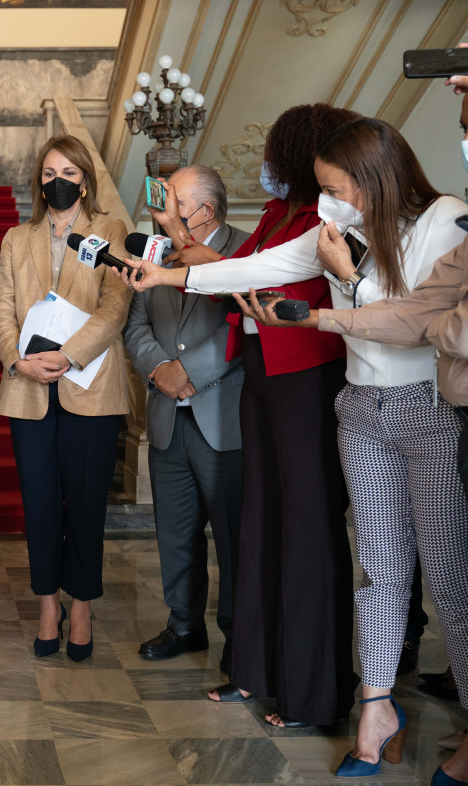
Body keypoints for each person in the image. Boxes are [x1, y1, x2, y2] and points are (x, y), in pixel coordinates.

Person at [138, 118, 468, 779]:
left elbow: (414, 320)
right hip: (359, 407)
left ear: (374, 178)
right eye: (322, 189)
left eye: (335, 189)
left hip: (426, 408)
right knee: (378, 573)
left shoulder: (442, 219)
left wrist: (343, 283)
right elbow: (260, 266)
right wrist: (164, 275)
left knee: (449, 579)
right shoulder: (339, 227)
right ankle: (377, 709)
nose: (326, 202)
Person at [246, 61, 468, 786]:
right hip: (388, 408)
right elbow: (422, 306)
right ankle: (378, 707)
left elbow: (462, 328)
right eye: (466, 128)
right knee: (382, 570)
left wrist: (367, 295)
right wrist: (323, 315)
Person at [127, 104, 361, 727]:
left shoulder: (323, 219)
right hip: (263, 381)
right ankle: (255, 671)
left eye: (277, 153)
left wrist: (166, 273)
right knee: (260, 528)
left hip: (304, 380)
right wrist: (171, 248)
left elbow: (253, 274)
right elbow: (224, 271)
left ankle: (311, 691)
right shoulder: (276, 213)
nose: (268, 165)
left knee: (305, 532)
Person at [0, 134, 132, 662]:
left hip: (89, 384)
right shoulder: (16, 237)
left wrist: (69, 356)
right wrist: (17, 360)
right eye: (50, 173)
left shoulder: (110, 231)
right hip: (27, 387)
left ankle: (82, 605)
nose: (59, 181)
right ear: (39, 180)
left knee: (87, 502)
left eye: (69, 173)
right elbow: (2, 306)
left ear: (85, 181)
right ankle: (48, 604)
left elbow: (115, 305)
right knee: (40, 503)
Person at [122, 165, 245, 671]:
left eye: (174, 201)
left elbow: (240, 325)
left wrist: (189, 372)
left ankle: (240, 634)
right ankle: (184, 624)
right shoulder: (157, 251)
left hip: (223, 417)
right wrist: (159, 371)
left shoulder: (244, 250)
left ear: (206, 212)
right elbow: (136, 324)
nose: (163, 209)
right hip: (167, 415)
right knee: (175, 532)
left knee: (234, 538)